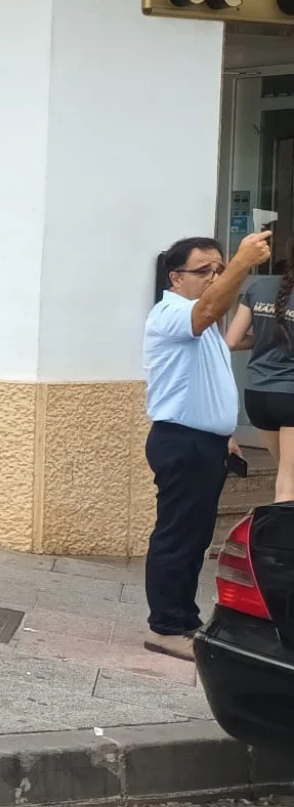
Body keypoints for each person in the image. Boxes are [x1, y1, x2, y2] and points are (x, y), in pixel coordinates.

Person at [141, 230, 273, 661]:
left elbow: (204, 385)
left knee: (194, 536)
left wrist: (226, 436)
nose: (214, 279)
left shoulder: (208, 325)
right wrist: (242, 262)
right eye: (204, 271)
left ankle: (183, 617)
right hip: (181, 442)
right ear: (175, 279)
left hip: (205, 443)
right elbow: (211, 307)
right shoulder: (172, 313)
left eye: (219, 270)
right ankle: (165, 626)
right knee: (177, 536)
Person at [227, 229, 294, 506]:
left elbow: (230, 340)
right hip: (290, 396)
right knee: (287, 487)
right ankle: (280, 547)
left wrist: (267, 336)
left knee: (286, 475)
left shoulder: (258, 288)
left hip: (257, 395)